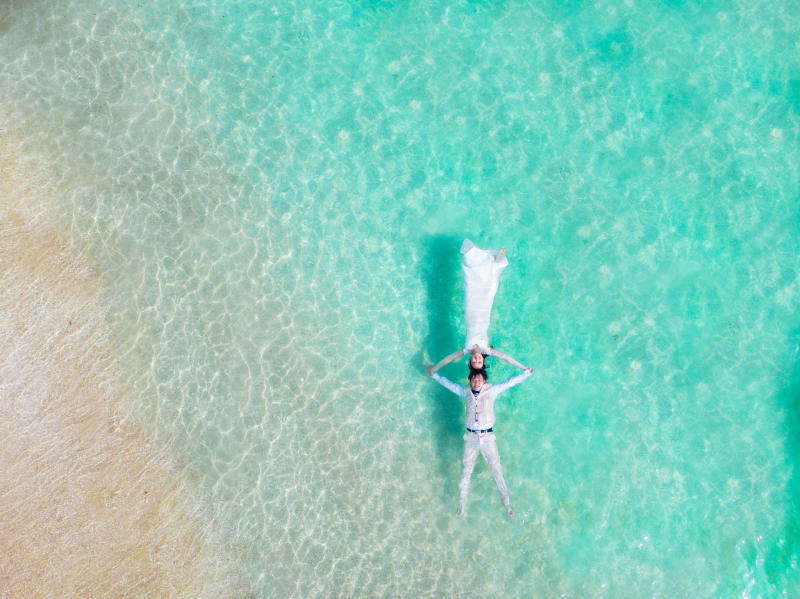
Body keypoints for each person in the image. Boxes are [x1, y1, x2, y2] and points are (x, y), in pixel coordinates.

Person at [427, 365, 532, 516]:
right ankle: (462, 503)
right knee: (466, 470)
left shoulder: (493, 391)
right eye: (474, 380)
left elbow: (510, 382)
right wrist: (435, 376)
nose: (476, 383)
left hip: (488, 437)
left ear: (484, 381)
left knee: (496, 469)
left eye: (479, 380)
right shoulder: (465, 392)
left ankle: (507, 503)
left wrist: (526, 374)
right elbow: (449, 384)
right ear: (469, 381)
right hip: (470, 437)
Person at [427, 239, 528, 374]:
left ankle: (483, 259)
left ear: (470, 361)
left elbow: (448, 359)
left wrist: (434, 369)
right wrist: (523, 368)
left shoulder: (466, 349)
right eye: (480, 361)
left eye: (474, 362)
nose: (477, 359)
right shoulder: (486, 349)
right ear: (482, 359)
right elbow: (505, 358)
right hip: (485, 309)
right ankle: (496, 261)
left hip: (471, 308)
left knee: (471, 284)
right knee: (490, 288)